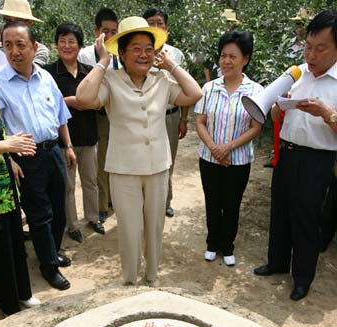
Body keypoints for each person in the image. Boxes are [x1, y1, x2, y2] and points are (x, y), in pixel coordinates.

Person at [76, 16, 202, 285]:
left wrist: (170, 65)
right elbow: (84, 98)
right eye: (135, 48)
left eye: (149, 48)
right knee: (130, 230)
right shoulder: (110, 80)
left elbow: (194, 94)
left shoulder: (162, 80)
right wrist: (101, 62)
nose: (144, 55)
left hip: (157, 166)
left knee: (155, 227)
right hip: (124, 170)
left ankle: (152, 275)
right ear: (121, 52)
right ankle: (131, 279)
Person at [254, 10, 337, 301]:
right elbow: (275, 114)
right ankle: (276, 263)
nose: (311, 54)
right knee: (281, 211)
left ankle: (302, 278)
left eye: (320, 48)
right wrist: (281, 104)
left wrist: (327, 114)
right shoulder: (298, 74)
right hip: (287, 154)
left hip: (317, 160)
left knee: (306, 218)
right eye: (308, 46)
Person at [0, 21, 76, 291]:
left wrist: (68, 146)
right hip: (25, 158)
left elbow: (60, 114)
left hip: (54, 152)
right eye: (8, 45)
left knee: (59, 206)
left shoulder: (45, 77)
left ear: (35, 47)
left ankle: (53, 251)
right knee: (40, 215)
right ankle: (49, 266)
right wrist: (10, 159)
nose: (14, 51)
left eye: (21, 44)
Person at [195, 30, 262, 267]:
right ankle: (212, 243)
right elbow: (200, 122)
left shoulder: (255, 91)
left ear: (245, 58)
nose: (226, 61)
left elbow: (256, 127)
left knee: (232, 204)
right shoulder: (209, 88)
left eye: (232, 56)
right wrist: (214, 148)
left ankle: (227, 246)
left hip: (239, 160)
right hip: (209, 157)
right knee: (212, 202)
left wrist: (228, 147)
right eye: (223, 55)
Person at [45, 22, 105, 244]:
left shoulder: (88, 72)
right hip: (63, 141)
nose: (67, 45)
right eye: (62, 40)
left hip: (89, 136)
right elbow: (46, 104)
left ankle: (93, 217)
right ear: (57, 44)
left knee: (90, 180)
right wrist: (69, 101)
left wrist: (87, 102)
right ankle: (72, 225)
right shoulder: (48, 73)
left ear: (79, 46)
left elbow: (100, 102)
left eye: (72, 41)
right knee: (68, 186)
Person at [0, 96, 40, 315]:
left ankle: (24, 294)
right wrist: (5, 145)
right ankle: (10, 307)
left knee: (16, 245)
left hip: (5, 188)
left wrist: (10, 155)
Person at [143, 7, 189, 218]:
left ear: (166, 27)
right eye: (150, 22)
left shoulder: (176, 54)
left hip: (170, 115)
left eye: (159, 22)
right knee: (145, 159)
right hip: (145, 116)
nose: (155, 26)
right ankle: (145, 203)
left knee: (167, 160)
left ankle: (165, 201)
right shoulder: (140, 54)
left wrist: (184, 118)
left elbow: (185, 86)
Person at [78, 7, 119, 223]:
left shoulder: (121, 52)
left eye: (114, 31)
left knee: (117, 159)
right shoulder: (85, 55)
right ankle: (103, 204)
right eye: (106, 30)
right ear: (96, 31)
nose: (110, 35)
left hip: (117, 115)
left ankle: (113, 198)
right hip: (96, 115)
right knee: (101, 161)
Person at [0, 0, 49, 66]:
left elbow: (29, 71)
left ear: (29, 23)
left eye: (17, 21)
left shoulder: (39, 50)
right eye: (7, 20)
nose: (12, 25)